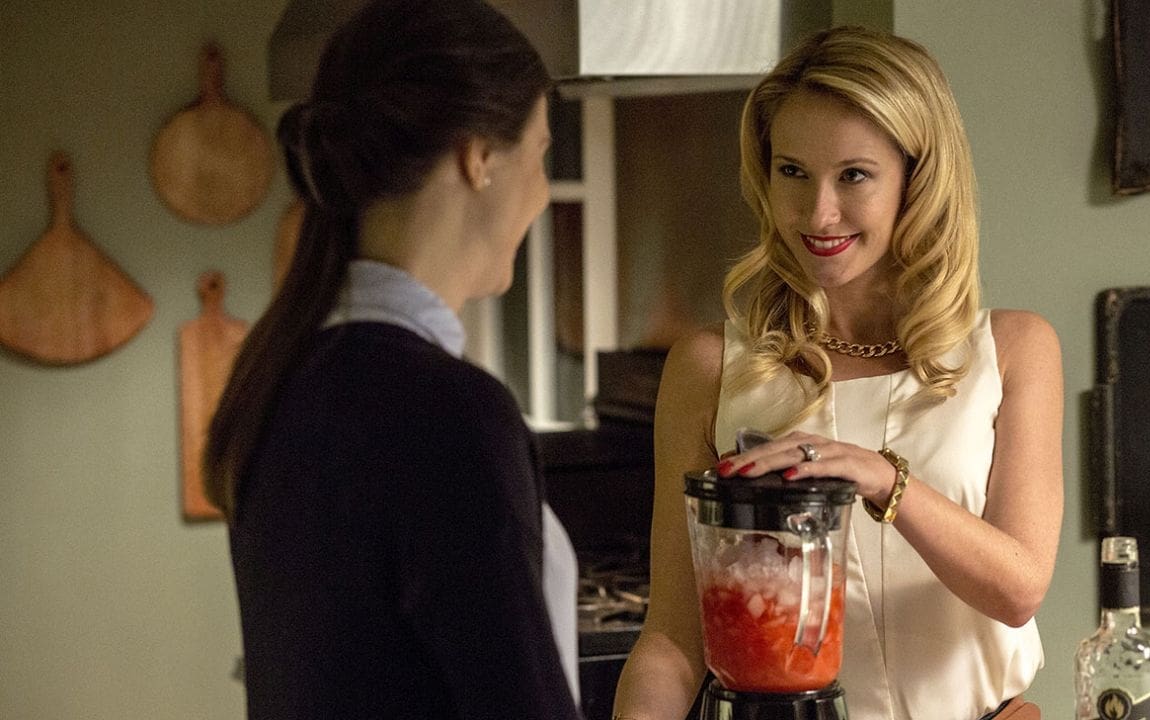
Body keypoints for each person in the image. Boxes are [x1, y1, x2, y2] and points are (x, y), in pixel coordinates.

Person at [612, 25, 1063, 720]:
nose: (818, 213)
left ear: (917, 179)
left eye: (854, 175)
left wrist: (882, 477)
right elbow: (673, 638)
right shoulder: (709, 369)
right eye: (792, 171)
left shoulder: (1013, 351)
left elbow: (1018, 590)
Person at [202, 1, 582, 718]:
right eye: (540, 154)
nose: (540, 191)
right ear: (479, 157)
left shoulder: (279, 382)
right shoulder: (452, 414)